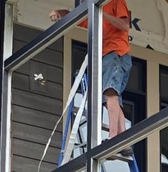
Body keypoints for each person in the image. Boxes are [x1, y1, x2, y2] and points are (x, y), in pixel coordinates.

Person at [50, 0, 132, 140]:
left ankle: (114, 135)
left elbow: (124, 25)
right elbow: (76, 16)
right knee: (111, 98)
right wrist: (60, 13)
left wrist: (101, 11)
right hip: (105, 56)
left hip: (116, 53)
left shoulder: (114, 1)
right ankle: (123, 136)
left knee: (110, 93)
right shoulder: (93, 8)